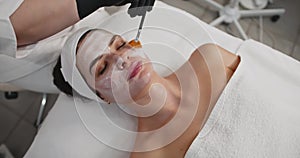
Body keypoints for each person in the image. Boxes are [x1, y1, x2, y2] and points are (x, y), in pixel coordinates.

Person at [53, 27, 240, 157]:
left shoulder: (209, 59)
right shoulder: (150, 154)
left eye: (119, 45)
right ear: (101, 96)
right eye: (103, 67)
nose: (122, 60)